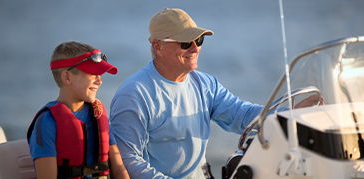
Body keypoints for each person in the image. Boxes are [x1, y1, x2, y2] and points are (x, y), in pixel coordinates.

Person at [109, 8, 323, 179]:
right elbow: (130, 161)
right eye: (186, 43)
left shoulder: (204, 83)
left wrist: (290, 114)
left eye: (198, 40)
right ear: (158, 47)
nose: (195, 48)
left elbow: (242, 114)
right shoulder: (133, 94)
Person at [27, 41, 130, 179]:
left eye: (100, 75)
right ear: (67, 77)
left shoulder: (98, 114)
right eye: (92, 74)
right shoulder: (47, 123)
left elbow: (119, 168)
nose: (99, 81)